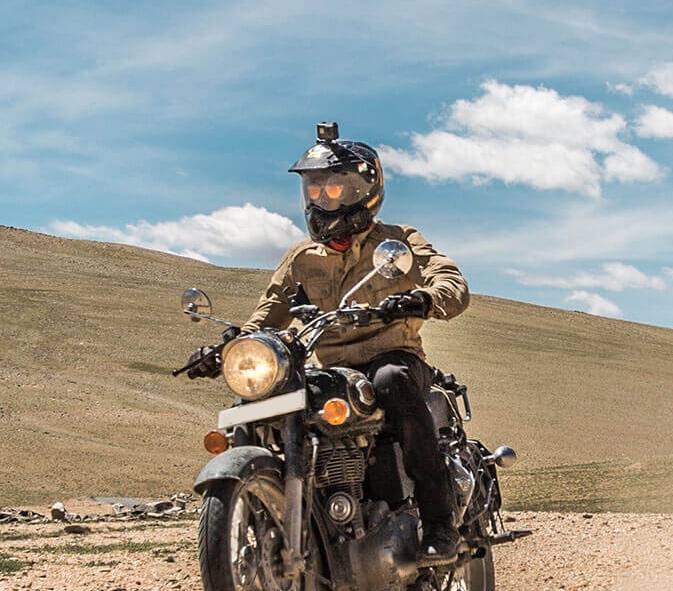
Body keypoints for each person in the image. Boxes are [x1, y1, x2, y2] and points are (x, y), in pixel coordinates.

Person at [188, 122, 470, 562]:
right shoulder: (302, 258)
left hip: (392, 355)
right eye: (314, 190)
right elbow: (268, 312)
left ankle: (438, 522)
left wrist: (423, 299)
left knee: (392, 380)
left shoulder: (398, 242)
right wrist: (232, 347)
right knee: (268, 398)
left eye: (334, 189)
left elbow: (450, 281)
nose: (322, 199)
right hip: (330, 369)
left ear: (364, 189)